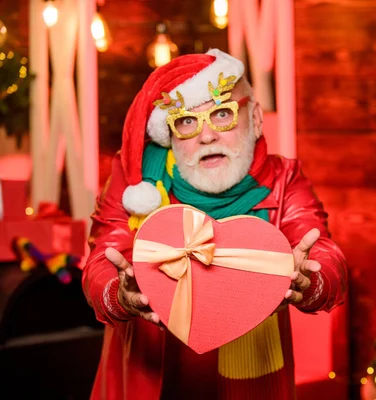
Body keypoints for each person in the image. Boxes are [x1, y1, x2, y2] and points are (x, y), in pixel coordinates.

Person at [82, 48, 347, 400]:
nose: (206, 137)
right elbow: (102, 261)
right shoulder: (134, 179)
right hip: (151, 375)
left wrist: (310, 279)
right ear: (170, 134)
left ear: (254, 117)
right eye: (187, 121)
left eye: (222, 114)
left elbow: (325, 254)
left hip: (251, 379)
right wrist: (121, 296)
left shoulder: (284, 179)